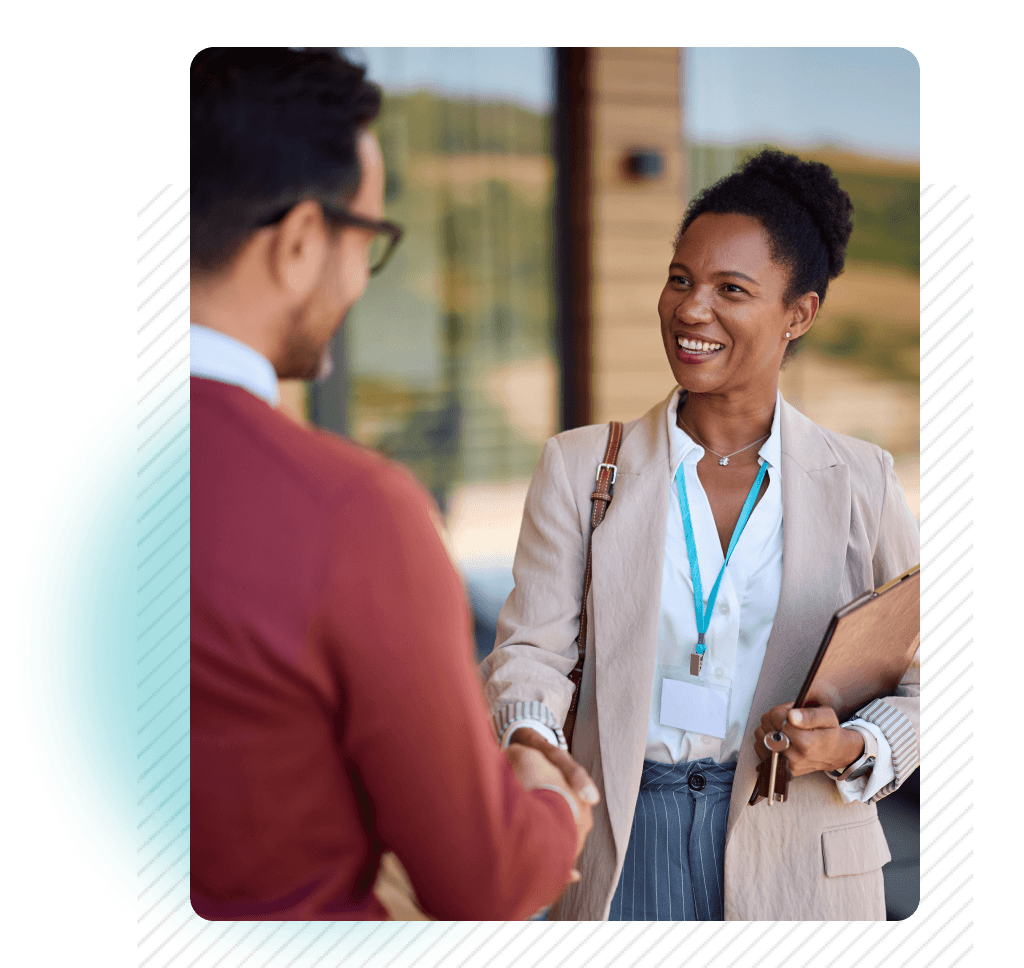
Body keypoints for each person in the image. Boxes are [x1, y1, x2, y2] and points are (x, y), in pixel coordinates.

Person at [188, 47, 593, 922]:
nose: (359, 283)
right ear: (300, 240)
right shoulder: (348, 513)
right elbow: (481, 879)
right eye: (367, 240)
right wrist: (555, 804)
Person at [479, 149, 919, 921]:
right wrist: (533, 744)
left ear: (799, 314)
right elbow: (531, 653)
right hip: (618, 843)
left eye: (731, 290)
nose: (691, 309)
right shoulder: (580, 466)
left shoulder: (863, 481)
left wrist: (849, 746)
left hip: (802, 856)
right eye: (680, 279)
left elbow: (929, 684)